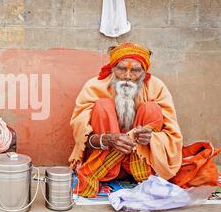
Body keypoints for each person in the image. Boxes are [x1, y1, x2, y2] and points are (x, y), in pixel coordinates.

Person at [69, 42, 219, 197]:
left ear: (144, 72)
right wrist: (107, 139)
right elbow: (81, 138)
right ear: (112, 68)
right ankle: (111, 167)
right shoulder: (94, 86)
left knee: (151, 109)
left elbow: (173, 135)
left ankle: (140, 171)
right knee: (102, 106)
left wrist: (152, 138)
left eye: (135, 70)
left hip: (142, 166)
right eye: (121, 69)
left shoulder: (156, 87)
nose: (127, 76)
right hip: (106, 166)